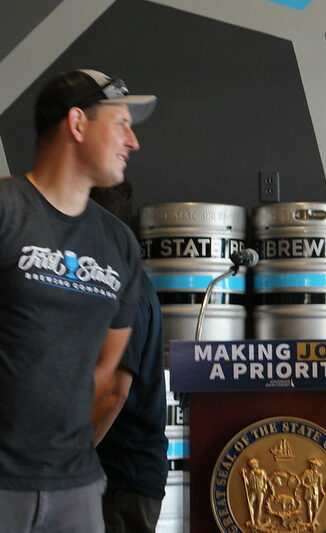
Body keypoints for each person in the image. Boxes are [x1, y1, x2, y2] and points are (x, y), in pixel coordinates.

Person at [0, 69, 156, 532]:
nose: (133, 142)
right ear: (77, 123)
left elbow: (107, 373)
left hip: (78, 489)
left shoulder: (119, 244)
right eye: (121, 123)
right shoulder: (7, 209)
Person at [91, 181, 169, 532]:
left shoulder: (123, 284)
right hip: (118, 474)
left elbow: (114, 392)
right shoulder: (113, 279)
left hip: (122, 478)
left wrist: (65, 460)